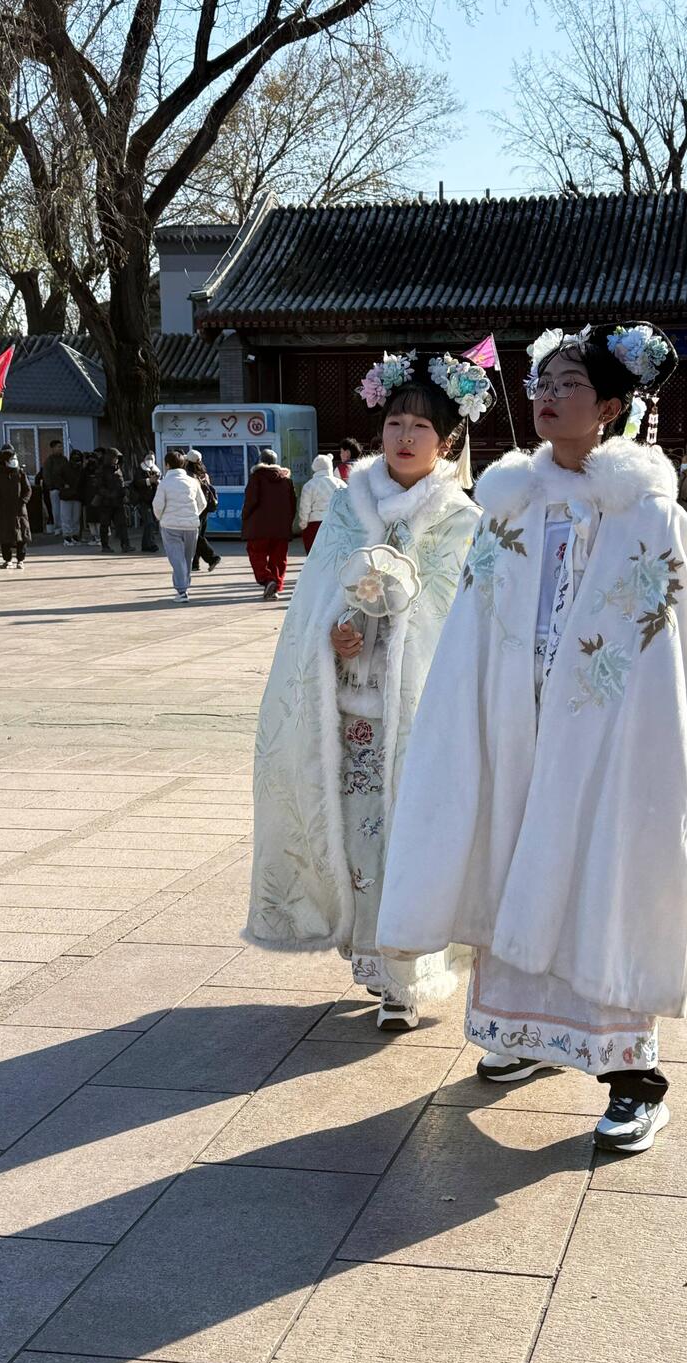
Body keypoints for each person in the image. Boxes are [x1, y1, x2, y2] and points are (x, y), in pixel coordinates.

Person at [376, 321, 687, 1155]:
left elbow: (656, 650)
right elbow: (475, 631)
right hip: (514, 725)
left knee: (601, 878)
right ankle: (521, 1034)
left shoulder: (647, 512)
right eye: (543, 384)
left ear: (614, 408)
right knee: (512, 857)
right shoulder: (512, 503)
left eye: (570, 386)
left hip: (606, 742)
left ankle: (635, 1079)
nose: (549, 398)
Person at [246, 347, 491, 1032]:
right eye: (394, 423)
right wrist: (335, 633)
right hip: (351, 710)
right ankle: (377, 967)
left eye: (421, 428)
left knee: (415, 840)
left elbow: (455, 612)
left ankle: (407, 979)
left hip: (422, 712)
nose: (404, 438)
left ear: (446, 443)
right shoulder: (351, 511)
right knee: (360, 845)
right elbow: (312, 607)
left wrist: (398, 613)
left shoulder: (459, 520)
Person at [241, 448, 297, 600]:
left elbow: (250, 501)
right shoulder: (286, 480)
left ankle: (267, 579)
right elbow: (292, 505)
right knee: (278, 559)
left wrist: (244, 517)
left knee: (256, 554)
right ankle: (275, 587)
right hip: (281, 529)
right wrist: (287, 523)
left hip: (258, 527)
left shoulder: (256, 477)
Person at [152, 449, 207, 602]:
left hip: (170, 526)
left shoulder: (164, 483)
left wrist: (161, 518)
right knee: (187, 558)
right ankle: (184, 587)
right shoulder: (192, 481)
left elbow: (157, 505)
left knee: (177, 558)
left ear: (167, 465)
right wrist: (193, 514)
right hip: (191, 526)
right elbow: (202, 503)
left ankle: (182, 591)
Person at [0, 447, 32, 569]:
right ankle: (7, 560)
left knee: (21, 535)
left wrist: (23, 501)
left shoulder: (20, 474)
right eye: (12, 459)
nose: (15, 461)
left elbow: (28, 490)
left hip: (19, 510)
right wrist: (0, 502)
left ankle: (20, 560)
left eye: (15, 458)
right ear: (5, 461)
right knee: (5, 536)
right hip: (5, 510)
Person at [297, 452, 342, 553]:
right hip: (336, 523)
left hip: (314, 525)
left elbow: (305, 508)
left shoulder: (309, 485)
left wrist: (303, 524)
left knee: (314, 556)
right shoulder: (340, 484)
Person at [186, 450, 221, 573]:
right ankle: (195, 563)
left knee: (196, 536)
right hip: (205, 508)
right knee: (199, 535)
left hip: (195, 508)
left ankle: (212, 558)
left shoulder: (189, 476)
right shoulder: (203, 474)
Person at [94, 448, 132, 553]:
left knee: (122, 524)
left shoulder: (118, 469)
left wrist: (124, 493)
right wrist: (110, 494)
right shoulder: (102, 470)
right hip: (106, 503)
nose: (116, 460)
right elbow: (99, 487)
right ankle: (105, 546)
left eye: (118, 458)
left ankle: (126, 545)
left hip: (118, 502)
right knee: (105, 525)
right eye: (114, 457)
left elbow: (122, 483)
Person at [131, 453, 161, 553]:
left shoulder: (156, 470)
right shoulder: (140, 470)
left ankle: (146, 544)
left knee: (151, 524)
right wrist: (149, 481)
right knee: (149, 523)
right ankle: (150, 544)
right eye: (148, 458)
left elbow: (160, 483)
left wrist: (157, 482)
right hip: (142, 500)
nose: (150, 460)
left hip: (152, 501)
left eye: (152, 458)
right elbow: (137, 482)